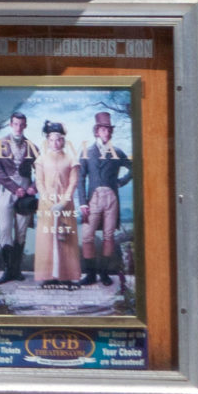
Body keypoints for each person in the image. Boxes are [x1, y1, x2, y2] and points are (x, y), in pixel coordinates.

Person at [77, 112, 132, 290]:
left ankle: (104, 273)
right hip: (93, 199)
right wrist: (83, 202)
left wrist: (121, 182)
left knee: (109, 236)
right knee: (87, 235)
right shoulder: (87, 152)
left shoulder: (117, 152)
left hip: (112, 199)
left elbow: (133, 167)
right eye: (102, 129)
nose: (106, 133)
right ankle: (90, 274)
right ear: (97, 131)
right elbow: (80, 178)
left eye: (108, 130)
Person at [31, 120, 82, 289]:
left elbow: (73, 183)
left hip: (65, 204)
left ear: (63, 140)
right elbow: (39, 182)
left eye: (58, 139)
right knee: (46, 238)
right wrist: (47, 201)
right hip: (47, 205)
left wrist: (63, 202)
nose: (55, 143)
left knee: (65, 238)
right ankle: (47, 275)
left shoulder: (71, 159)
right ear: (47, 140)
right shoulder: (41, 160)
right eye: (52, 140)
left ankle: (67, 276)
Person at [0, 113, 37, 286]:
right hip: (7, 190)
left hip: (26, 193)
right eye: (15, 124)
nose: (18, 127)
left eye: (21, 124)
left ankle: (16, 270)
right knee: (5, 230)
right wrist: (14, 188)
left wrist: (34, 187)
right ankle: (7, 270)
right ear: (11, 124)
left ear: (25, 126)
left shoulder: (32, 146)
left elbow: (41, 170)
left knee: (21, 232)